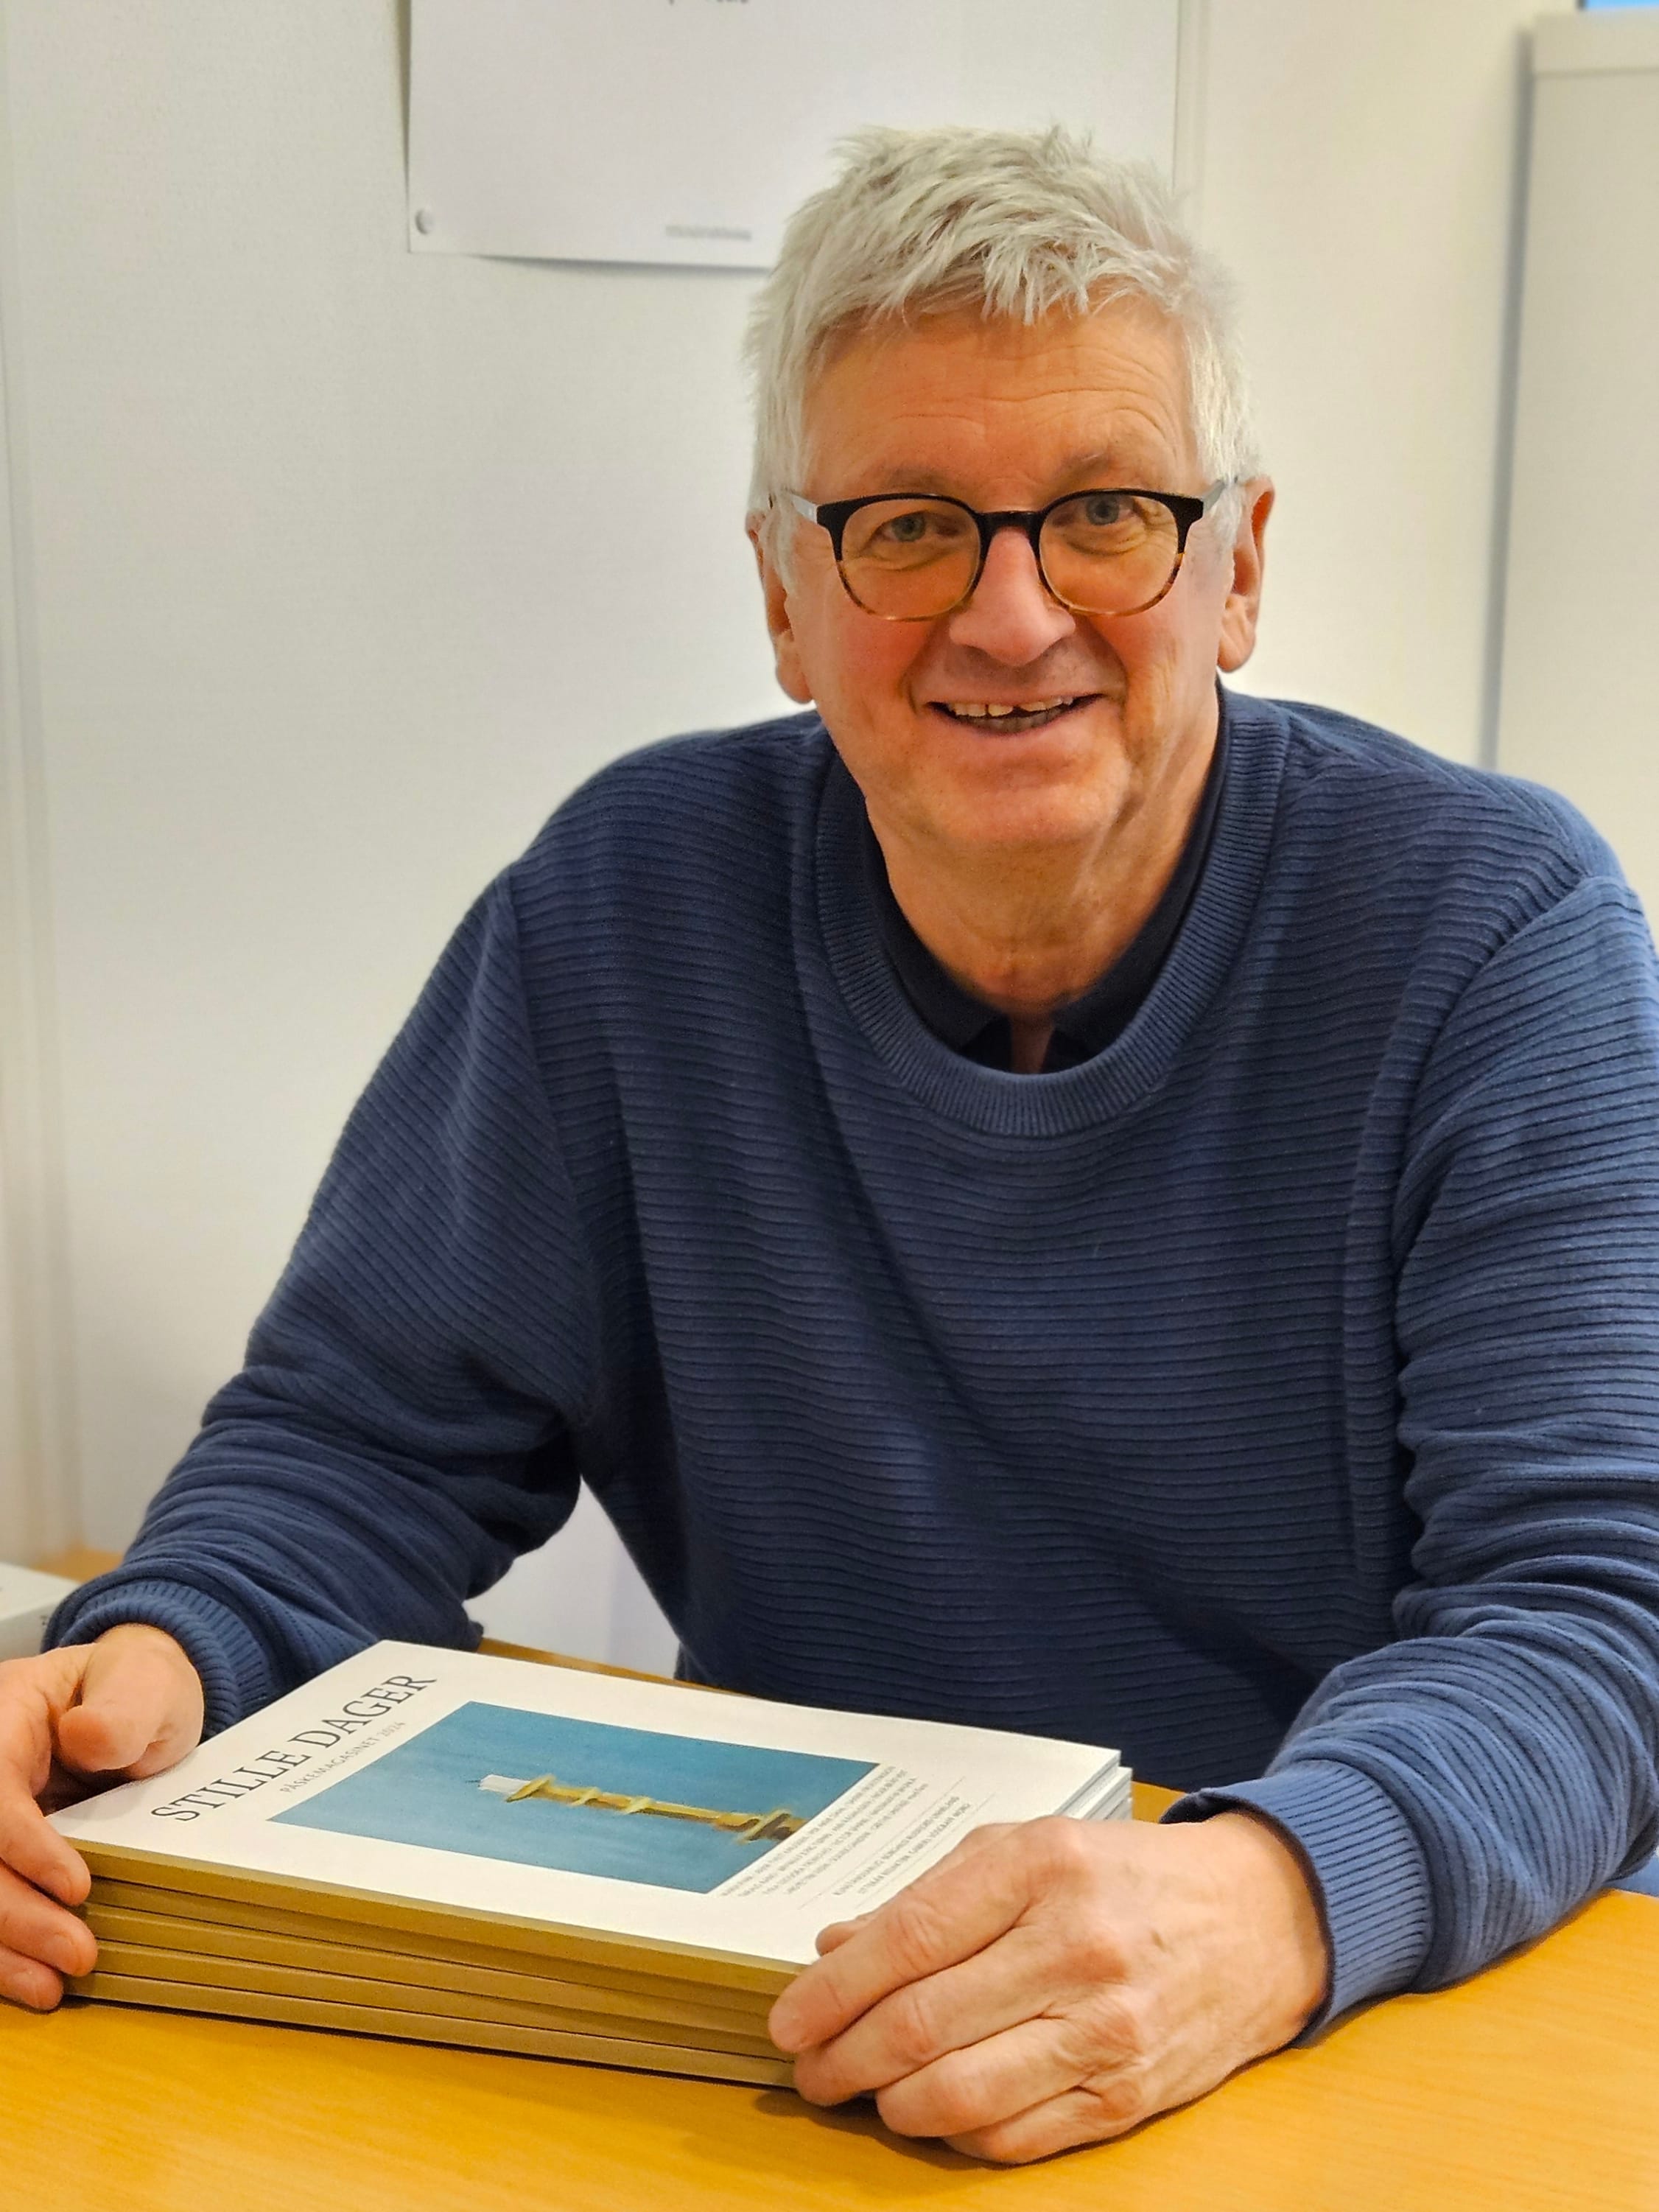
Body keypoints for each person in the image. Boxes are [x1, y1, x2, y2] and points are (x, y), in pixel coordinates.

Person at [3, 125, 1658, 2164]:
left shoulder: (1493, 933)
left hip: (1368, 2008)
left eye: (1107, 514)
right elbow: (364, 1443)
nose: (1010, 615)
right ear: (786, 597)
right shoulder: (623, 908)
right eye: (907, 528)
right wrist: (147, 1658)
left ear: (1236, 569)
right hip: (822, 2021)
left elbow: (1594, 1611)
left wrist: (1274, 1898)